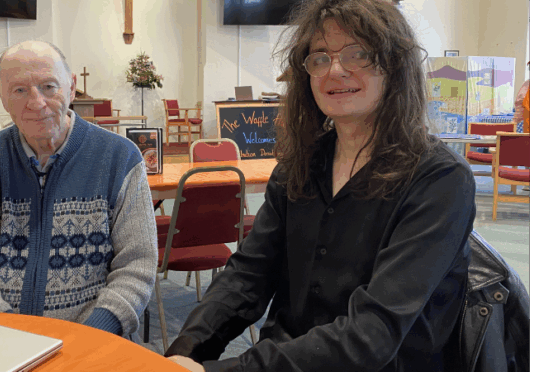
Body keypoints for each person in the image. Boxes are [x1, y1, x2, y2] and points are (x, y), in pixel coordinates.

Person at [166, 0, 483, 370]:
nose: (335, 70)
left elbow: (373, 334)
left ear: (395, 66)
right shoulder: (299, 167)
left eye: (358, 54)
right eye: (319, 57)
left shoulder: (440, 180)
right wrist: (183, 353)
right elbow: (247, 276)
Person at [0, 41, 158, 338]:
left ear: (72, 87)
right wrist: (14, 335)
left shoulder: (120, 158)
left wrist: (93, 334)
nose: (36, 103)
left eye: (49, 87)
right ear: (2, 96)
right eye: (19, 90)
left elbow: (137, 265)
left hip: (95, 340)